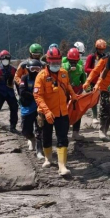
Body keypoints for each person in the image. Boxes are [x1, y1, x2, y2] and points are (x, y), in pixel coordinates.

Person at [33, 47, 77, 176]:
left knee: (62, 137)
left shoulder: (64, 72)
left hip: (62, 112)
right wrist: (46, 111)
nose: (56, 65)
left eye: (58, 62)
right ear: (47, 61)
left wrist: (73, 94)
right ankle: (48, 158)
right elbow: (37, 96)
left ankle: (62, 166)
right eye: (53, 62)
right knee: (46, 136)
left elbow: (67, 85)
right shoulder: (41, 76)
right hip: (47, 113)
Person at [84, 41, 110, 141]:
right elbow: (94, 71)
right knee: (105, 109)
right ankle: (101, 130)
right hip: (103, 87)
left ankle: (105, 130)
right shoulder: (103, 59)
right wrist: (88, 81)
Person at [19, 59, 44, 159]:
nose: (35, 72)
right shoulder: (24, 78)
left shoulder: (43, 78)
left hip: (39, 108)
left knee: (39, 131)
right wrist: (35, 95)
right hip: (27, 108)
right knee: (25, 130)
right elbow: (22, 91)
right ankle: (31, 138)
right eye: (32, 69)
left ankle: (39, 151)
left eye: (37, 69)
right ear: (28, 69)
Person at [62, 48, 87, 141]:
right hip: (64, 93)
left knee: (77, 112)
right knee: (64, 112)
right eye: (71, 61)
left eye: (75, 61)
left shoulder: (80, 68)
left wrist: (87, 89)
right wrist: (68, 70)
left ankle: (75, 133)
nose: (73, 63)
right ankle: (64, 133)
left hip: (77, 92)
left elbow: (84, 80)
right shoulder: (62, 66)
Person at [84, 39, 107, 125]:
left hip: (102, 81)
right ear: (96, 48)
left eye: (103, 49)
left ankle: (103, 116)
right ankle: (94, 116)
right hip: (92, 81)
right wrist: (96, 71)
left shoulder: (105, 57)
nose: (101, 51)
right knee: (94, 99)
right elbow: (86, 69)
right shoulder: (91, 57)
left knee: (103, 99)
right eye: (100, 49)